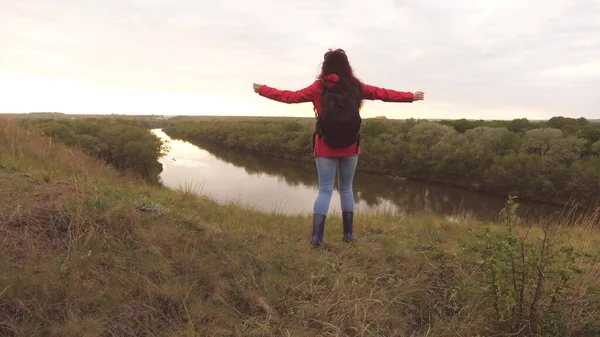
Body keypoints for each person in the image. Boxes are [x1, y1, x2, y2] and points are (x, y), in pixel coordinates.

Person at [252, 48, 424, 247]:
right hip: (350, 146)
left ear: (325, 66)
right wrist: (410, 96)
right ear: (347, 66)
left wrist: (263, 90)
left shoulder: (319, 87)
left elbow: (290, 97)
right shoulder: (355, 86)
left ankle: (317, 238)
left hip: (325, 145)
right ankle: (348, 236)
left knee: (325, 190)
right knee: (346, 188)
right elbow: (383, 94)